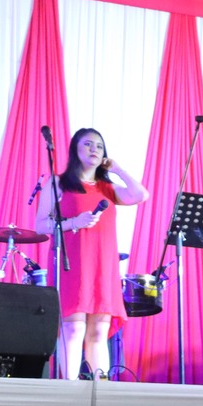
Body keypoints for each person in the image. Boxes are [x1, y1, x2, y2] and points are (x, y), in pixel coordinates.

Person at [40, 127, 148, 381]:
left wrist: (117, 169)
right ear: (75, 149)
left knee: (99, 330)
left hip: (103, 264)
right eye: (88, 144)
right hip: (72, 262)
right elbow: (40, 225)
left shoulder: (107, 187)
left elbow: (141, 195)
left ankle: (100, 388)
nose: (94, 150)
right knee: (75, 327)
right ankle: (70, 386)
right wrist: (73, 222)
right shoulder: (58, 183)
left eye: (99, 146)